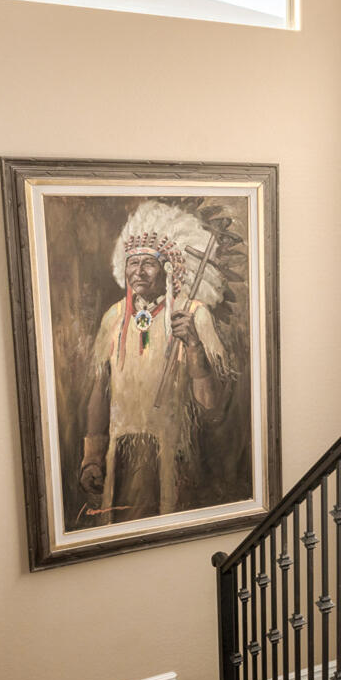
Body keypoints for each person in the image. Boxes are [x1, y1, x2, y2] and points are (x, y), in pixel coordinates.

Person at [78, 201, 229, 524]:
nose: (139, 271)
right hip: (121, 458)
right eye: (133, 263)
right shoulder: (115, 318)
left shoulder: (193, 314)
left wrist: (193, 346)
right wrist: (92, 458)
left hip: (173, 458)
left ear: (169, 268)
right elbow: (100, 392)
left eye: (149, 263)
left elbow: (212, 407)